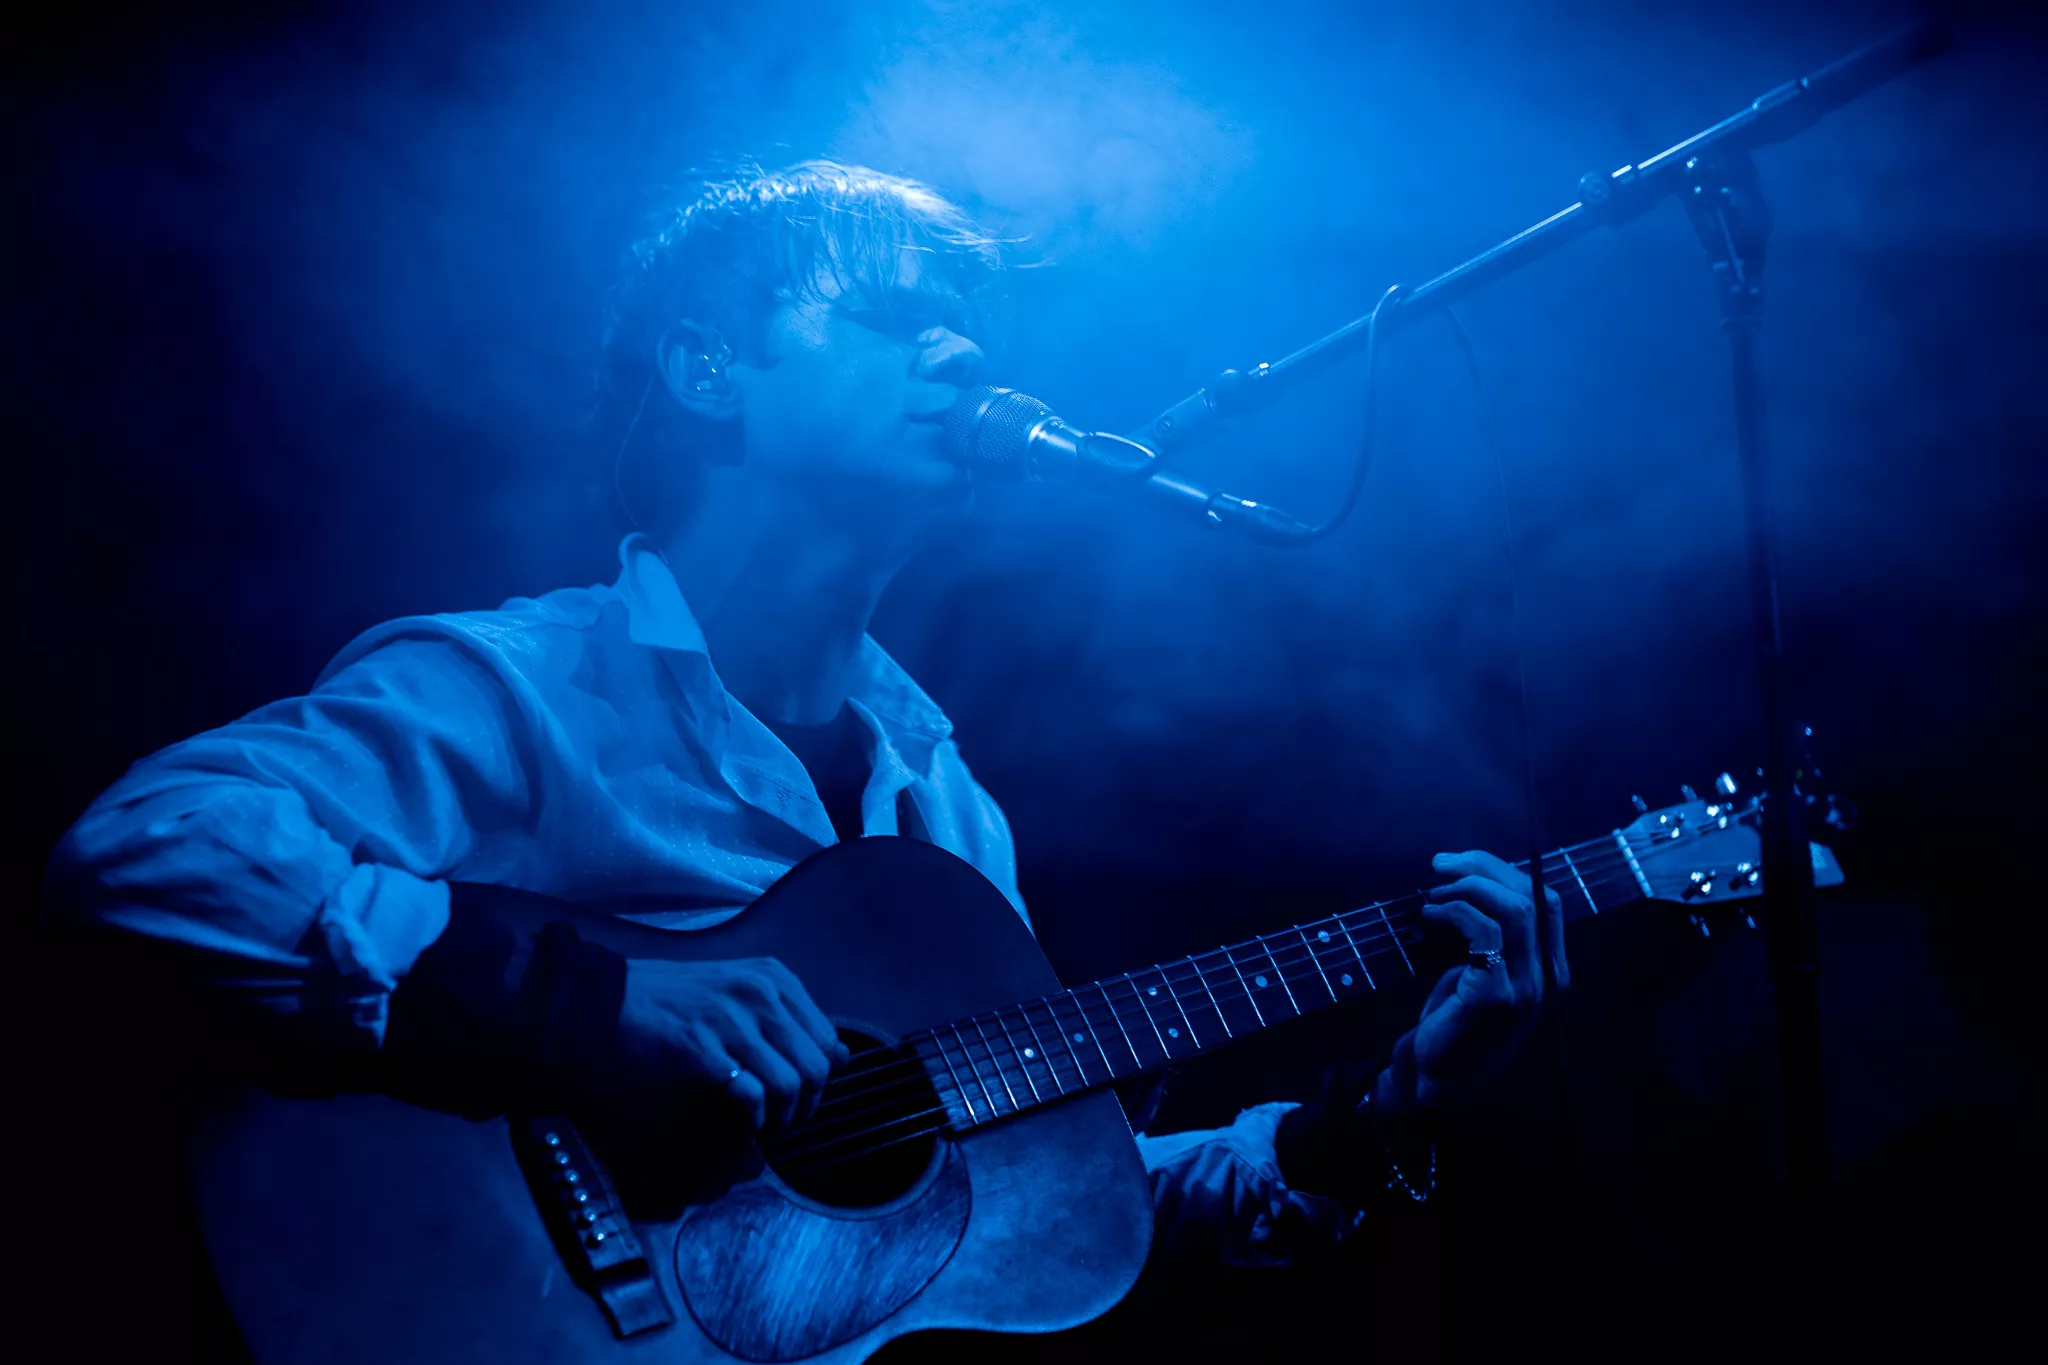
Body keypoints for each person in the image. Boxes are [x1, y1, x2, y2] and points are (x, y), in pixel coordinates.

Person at [44, 160, 1566, 1311]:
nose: (965, 360)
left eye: (970, 333)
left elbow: (1028, 1214)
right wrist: (588, 1007)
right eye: (900, 320)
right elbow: (145, 854)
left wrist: (1388, 1116)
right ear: (710, 371)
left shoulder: (944, 807)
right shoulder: (518, 688)